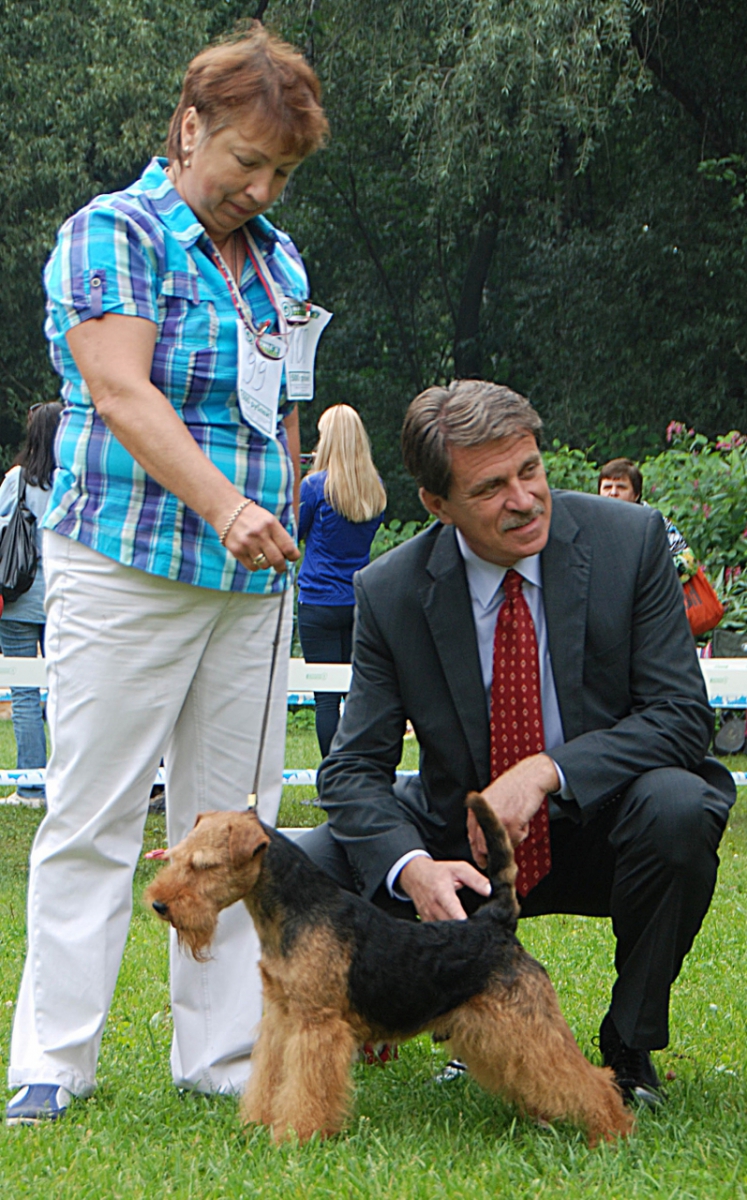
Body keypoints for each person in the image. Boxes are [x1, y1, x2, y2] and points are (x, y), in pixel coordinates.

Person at [7, 26, 329, 1125]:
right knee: (93, 815)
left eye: (281, 171)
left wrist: (279, 502)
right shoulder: (115, 231)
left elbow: (279, 411)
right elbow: (120, 390)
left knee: (240, 822)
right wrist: (226, 505)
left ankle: (226, 1054)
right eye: (247, 159)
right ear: (190, 126)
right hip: (129, 564)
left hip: (251, 584)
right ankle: (52, 1061)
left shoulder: (278, 258)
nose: (261, 185)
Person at [298, 379, 735, 1108]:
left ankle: (628, 1055)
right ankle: (417, 1018)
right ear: (436, 506)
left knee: (679, 805)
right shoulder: (389, 590)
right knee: (314, 861)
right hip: (458, 849)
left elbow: (680, 714)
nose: (524, 499)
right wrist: (409, 870)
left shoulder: (629, 542)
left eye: (529, 470)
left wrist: (545, 770)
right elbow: (351, 770)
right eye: (490, 487)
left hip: (606, 825)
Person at [297, 405, 386, 757]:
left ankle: (329, 780)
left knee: (325, 700)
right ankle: (358, 771)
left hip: (317, 600)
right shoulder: (374, 488)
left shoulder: (314, 487)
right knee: (356, 693)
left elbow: (297, 532)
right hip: (358, 600)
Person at [0, 402, 62, 809]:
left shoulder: (16, 480)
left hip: (19, 599)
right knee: (67, 692)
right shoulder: (74, 480)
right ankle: (67, 785)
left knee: (24, 692)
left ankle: (30, 787)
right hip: (64, 599)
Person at [598, 457, 696, 580]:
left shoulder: (652, 521)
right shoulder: (594, 522)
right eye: (607, 487)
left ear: (636, 494)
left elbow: (688, 561)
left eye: (621, 487)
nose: (613, 493)